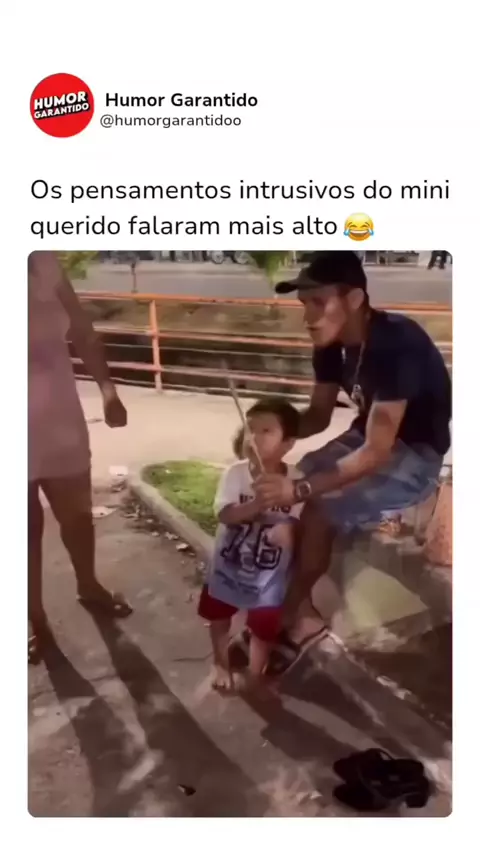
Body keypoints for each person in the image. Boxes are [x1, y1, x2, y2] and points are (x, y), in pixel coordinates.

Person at [254, 251, 451, 661]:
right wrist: (273, 433)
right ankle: (293, 598)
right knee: (298, 477)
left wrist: (302, 490)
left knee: (319, 506)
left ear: (355, 299)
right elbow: (319, 416)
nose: (308, 316)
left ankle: (288, 616)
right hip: (369, 436)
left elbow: (376, 451)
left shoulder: (398, 343)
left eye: (318, 302)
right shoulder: (331, 344)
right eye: (304, 304)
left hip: (416, 453)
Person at [28, 251, 132, 662]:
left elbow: (82, 330)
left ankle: (88, 584)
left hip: (60, 421)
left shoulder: (43, 262)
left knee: (77, 516)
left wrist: (108, 389)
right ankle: (35, 620)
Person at [198, 398, 302, 695]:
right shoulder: (235, 474)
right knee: (219, 614)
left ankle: (256, 671)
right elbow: (224, 514)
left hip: (269, 575)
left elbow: (297, 522)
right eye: (250, 429)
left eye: (266, 431)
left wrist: (287, 530)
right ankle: (220, 662)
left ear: (288, 444)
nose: (254, 437)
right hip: (228, 565)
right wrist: (256, 504)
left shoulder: (296, 481)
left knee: (264, 626)